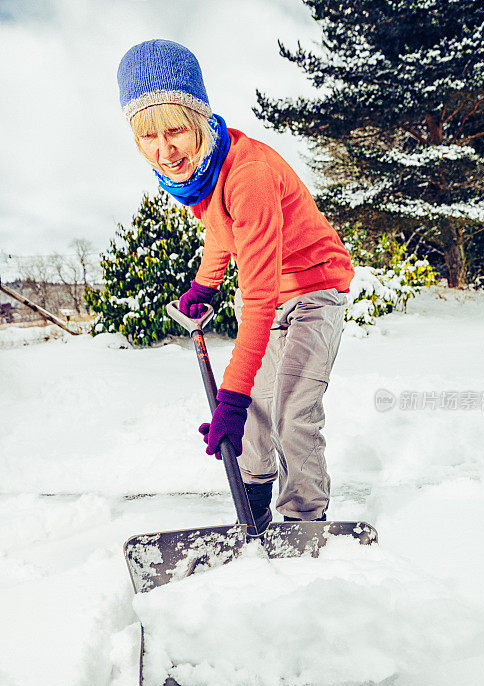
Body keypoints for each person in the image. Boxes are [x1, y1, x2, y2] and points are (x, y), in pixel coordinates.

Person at [117, 39, 353, 533]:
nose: (165, 151)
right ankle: (254, 508)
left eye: (175, 130)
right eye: (148, 138)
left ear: (199, 118)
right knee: (262, 409)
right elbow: (221, 228)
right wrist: (205, 284)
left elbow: (260, 299)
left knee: (292, 411)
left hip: (314, 291)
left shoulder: (249, 175)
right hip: (276, 296)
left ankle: (304, 520)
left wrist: (231, 397)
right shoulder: (205, 173)